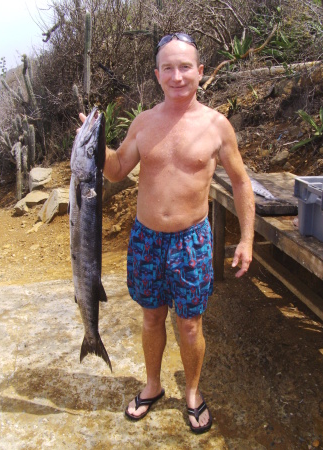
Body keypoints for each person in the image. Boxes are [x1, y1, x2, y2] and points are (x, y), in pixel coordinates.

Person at [78, 33, 255, 434]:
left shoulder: (217, 126)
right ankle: (154, 385)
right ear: (158, 74)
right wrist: (92, 145)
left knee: (190, 324)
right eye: (169, 68)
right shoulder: (143, 123)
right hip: (146, 239)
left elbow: (242, 183)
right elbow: (117, 168)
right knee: (152, 317)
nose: (178, 76)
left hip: (192, 240)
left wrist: (246, 239)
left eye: (186, 67)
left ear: (200, 72)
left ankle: (192, 393)